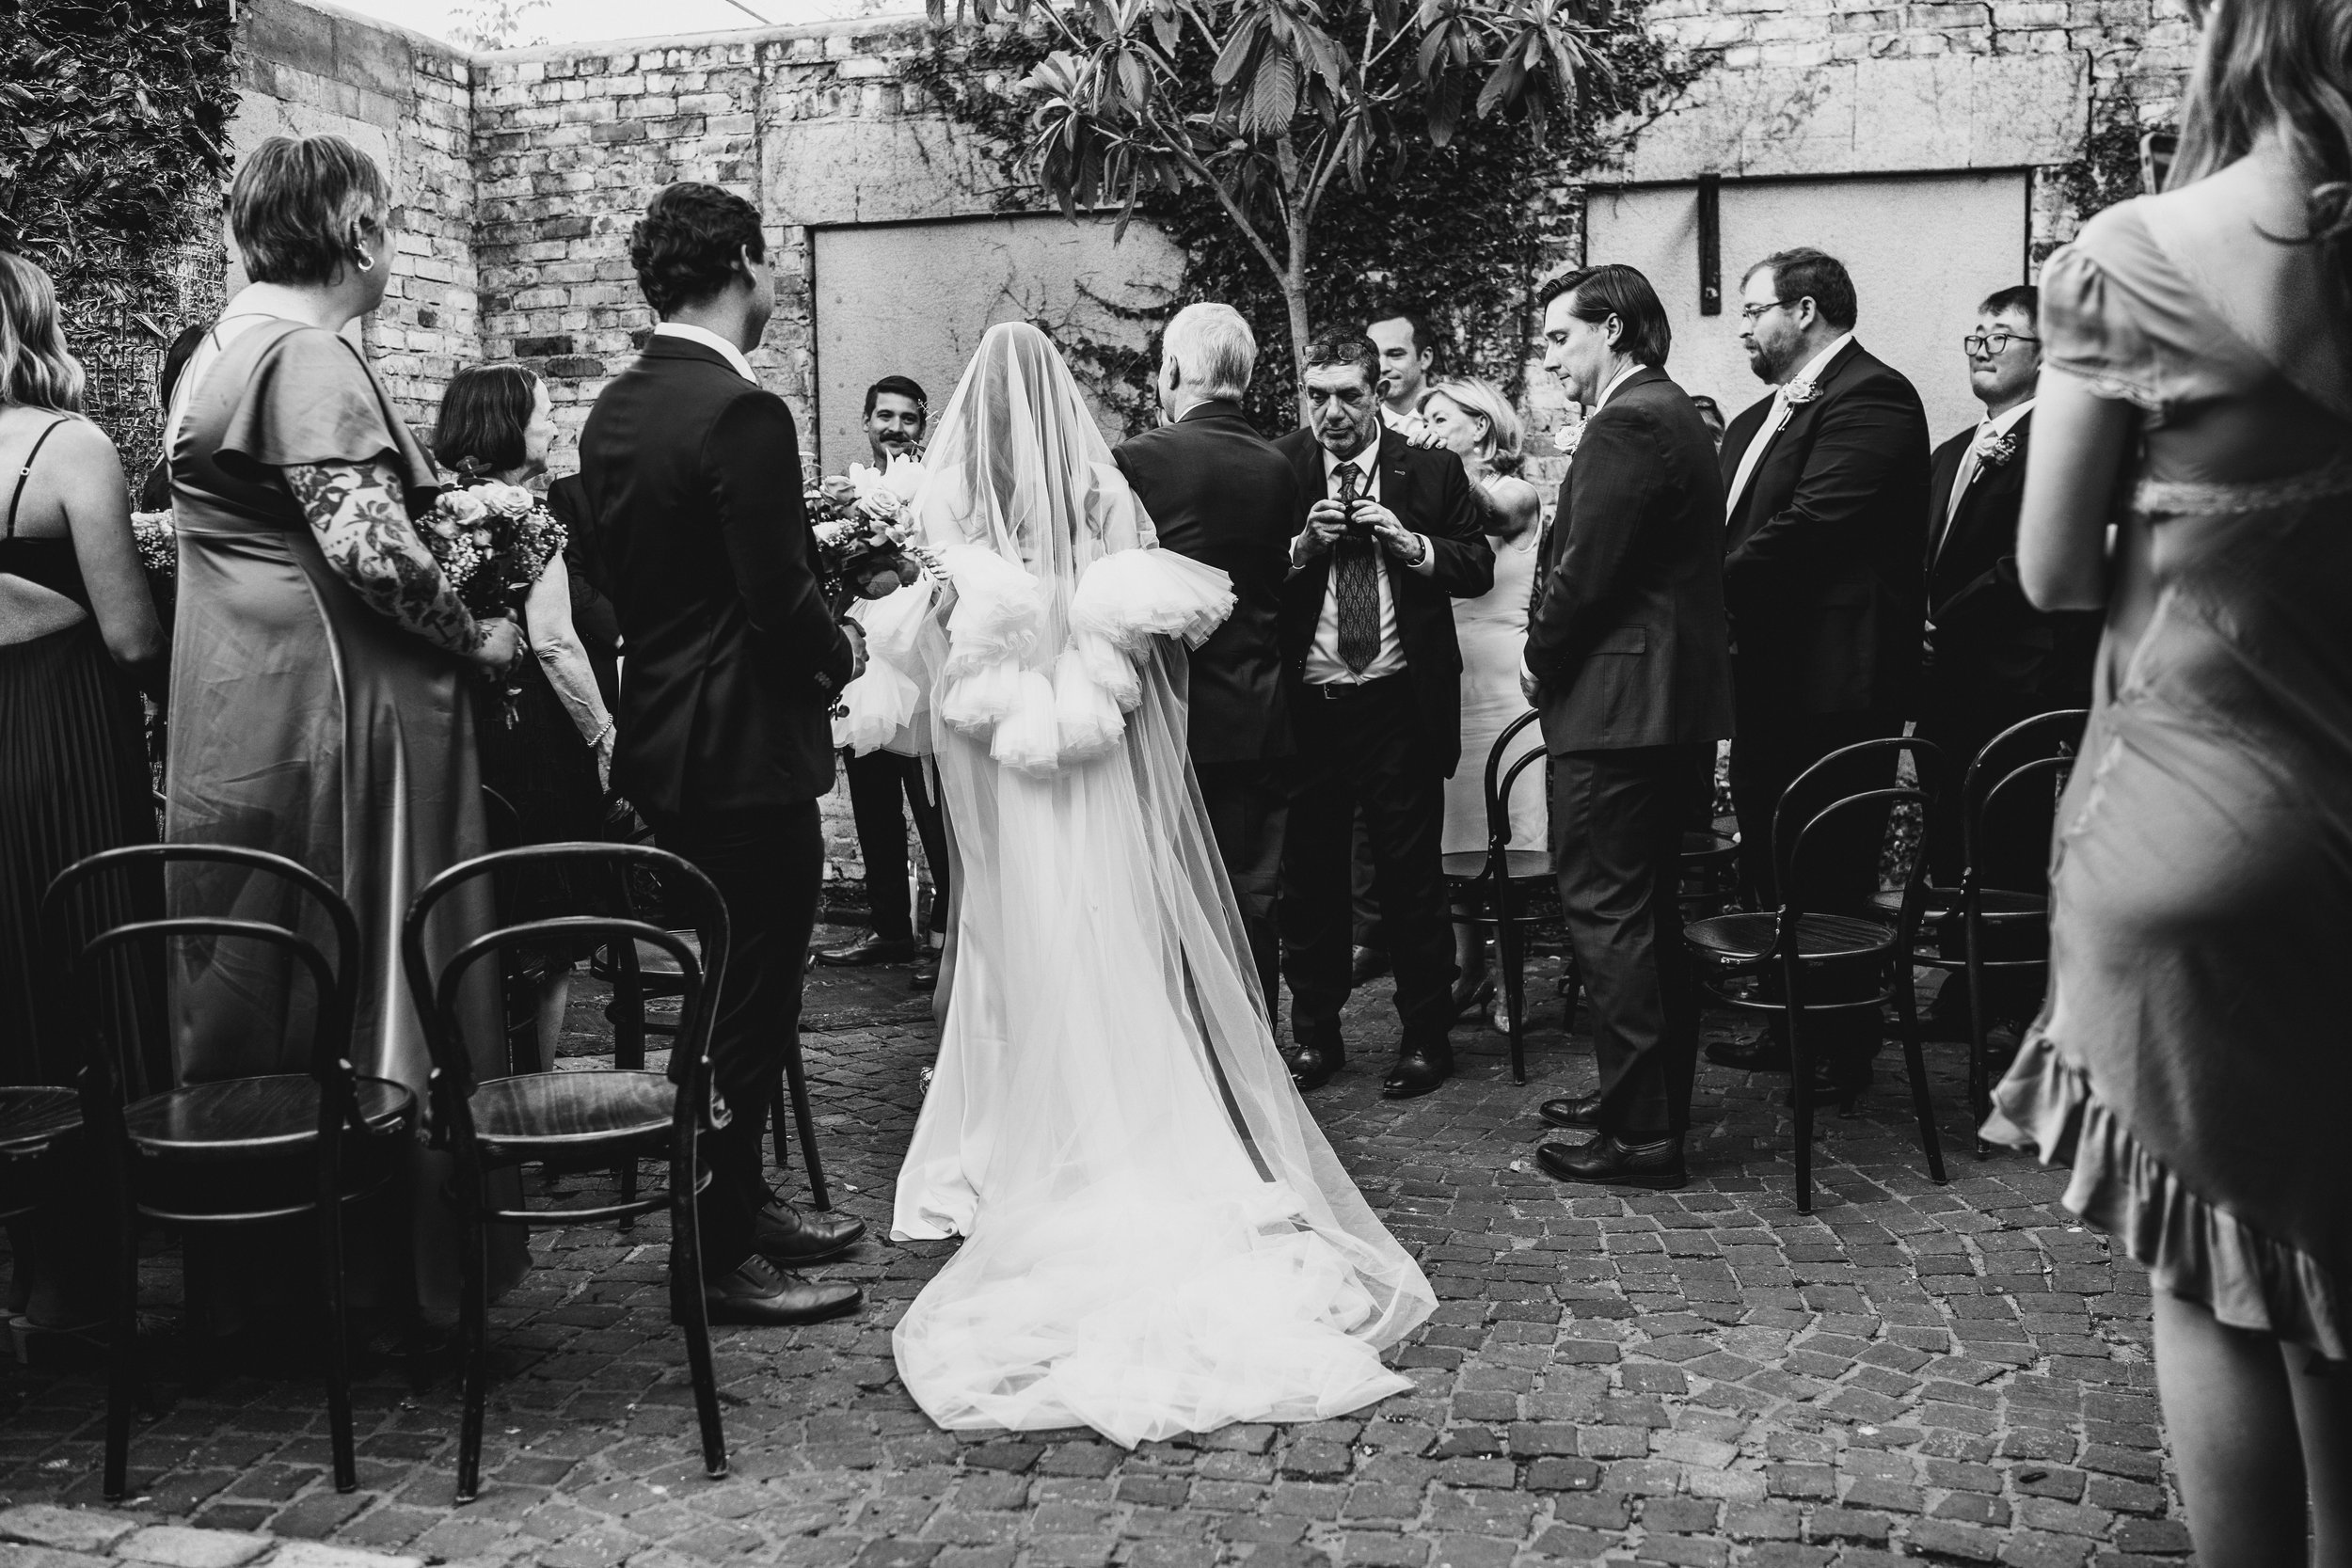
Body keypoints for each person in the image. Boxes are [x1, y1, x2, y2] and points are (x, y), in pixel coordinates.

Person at [870, 321, 1435, 1446]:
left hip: (1007, 750)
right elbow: (1142, 633)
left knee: (1013, 934)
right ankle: (1138, 1120)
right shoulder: (1116, 484)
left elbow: (932, 652)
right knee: (1121, 928)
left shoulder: (952, 504)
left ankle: (1010, 1136)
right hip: (1107, 740)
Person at [1982, 1, 2352, 1551]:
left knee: (2210, 1267)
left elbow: (2056, 570)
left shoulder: (2144, 253)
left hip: (2189, 813)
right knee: (2334, 1259)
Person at [163, 135, 527, 1324]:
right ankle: (387, 1274)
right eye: (390, 221)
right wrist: (470, 632)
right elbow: (368, 544)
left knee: (262, 959)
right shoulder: (306, 352)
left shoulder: (223, 340)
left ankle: (259, 1269)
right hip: (337, 713)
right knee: (377, 954)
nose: (395, 243)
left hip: (240, 698)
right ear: (355, 232)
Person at [578, 182, 865, 1326]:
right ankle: (714, 1246)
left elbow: (617, 577)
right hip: (745, 748)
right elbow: (774, 595)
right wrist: (840, 646)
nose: (780, 280)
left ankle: (744, 1200)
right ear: (743, 260)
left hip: (663, 737)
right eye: (772, 261)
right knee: (749, 999)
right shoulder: (743, 413)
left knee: (733, 984)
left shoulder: (614, 408)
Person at [1518, 264, 1733, 1191]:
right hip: (1658, 708)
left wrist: (1539, 656)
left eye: (1560, 338)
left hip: (1616, 712)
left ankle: (1643, 1134)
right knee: (1640, 915)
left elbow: (1582, 576)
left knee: (1609, 916)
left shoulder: (1629, 420)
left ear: (1610, 328)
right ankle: (1636, 1103)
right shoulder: (1670, 411)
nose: (1551, 359)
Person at [1706, 246, 1930, 1094]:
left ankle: (1840, 1042)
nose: (1744, 329)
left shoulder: (1874, 396)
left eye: (1754, 310)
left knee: (1830, 855)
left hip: (1839, 679)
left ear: (1804, 312)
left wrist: (1704, 586)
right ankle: (1783, 1018)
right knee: (1767, 850)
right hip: (1763, 671)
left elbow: (1815, 523)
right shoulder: (1755, 418)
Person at [0, 248, 168, 1329]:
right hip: (63, 732)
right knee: (89, 967)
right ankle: (92, 1263)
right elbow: (129, 632)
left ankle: (27, 1259)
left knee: (9, 970)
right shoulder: (70, 447)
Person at [1275, 333, 1494, 1099]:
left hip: (1399, 704)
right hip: (1312, 708)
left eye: (1348, 395)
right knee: (1312, 881)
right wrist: (1300, 549)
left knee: (1411, 882)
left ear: (1378, 394)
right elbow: (1244, 577)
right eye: (1318, 395)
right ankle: (1315, 1036)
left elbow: (1477, 564)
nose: (1331, 412)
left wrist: (1414, 544)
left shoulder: (1429, 468)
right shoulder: (1283, 467)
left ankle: (1426, 1037)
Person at [430, 364, 617, 1067]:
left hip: (459, 727)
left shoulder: (436, 513)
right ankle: (533, 1087)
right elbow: (556, 641)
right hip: (528, 731)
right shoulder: (525, 516)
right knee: (545, 917)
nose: (555, 423)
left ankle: (475, 1073)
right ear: (509, 425)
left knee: (479, 912)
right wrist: (602, 731)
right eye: (543, 412)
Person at [1112, 304, 1297, 1006]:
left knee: (1171, 896)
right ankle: (1258, 1058)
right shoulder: (1279, 466)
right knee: (1252, 895)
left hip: (1173, 715)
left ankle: (1193, 1060)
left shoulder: (1138, 461)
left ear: (1174, 369)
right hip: (1259, 711)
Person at [1915, 286, 2099, 890]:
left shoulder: (2061, 444)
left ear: (2045, 354)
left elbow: (2030, 562)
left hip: (2016, 683)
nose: (1980, 347)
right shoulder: (1947, 456)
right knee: (1947, 839)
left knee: (2005, 845)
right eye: (1976, 335)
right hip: (1942, 685)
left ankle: (2001, 979)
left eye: (1999, 335)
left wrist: (1944, 623)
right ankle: (1956, 964)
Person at [816, 374, 951, 991]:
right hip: (867, 666)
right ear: (867, 421)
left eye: (908, 419)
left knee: (933, 810)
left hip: (920, 667)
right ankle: (889, 927)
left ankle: (946, 937)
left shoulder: (933, 487)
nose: (896, 428)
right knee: (871, 802)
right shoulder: (851, 490)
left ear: (923, 427)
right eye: (885, 417)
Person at [1416, 377, 1544, 1023]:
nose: (1427, 426)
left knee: (1508, 844)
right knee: (1454, 840)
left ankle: (1514, 980)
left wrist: (1434, 463)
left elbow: (1486, 515)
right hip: (1445, 680)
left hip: (1501, 683)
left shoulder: (1515, 492)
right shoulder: (1435, 492)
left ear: (1483, 428)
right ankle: (1472, 970)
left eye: (1440, 418)